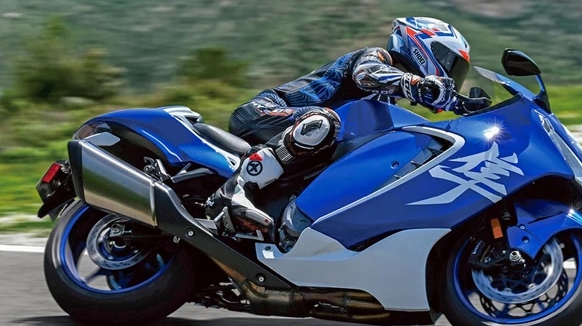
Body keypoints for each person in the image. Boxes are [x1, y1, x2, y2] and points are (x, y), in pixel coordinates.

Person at [206, 16, 490, 239]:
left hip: (296, 136)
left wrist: (463, 105)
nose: (451, 76)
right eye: (452, 65)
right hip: (263, 112)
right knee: (325, 121)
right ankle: (236, 189)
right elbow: (367, 74)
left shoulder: (387, 103)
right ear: (423, 45)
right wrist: (416, 83)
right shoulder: (377, 58)